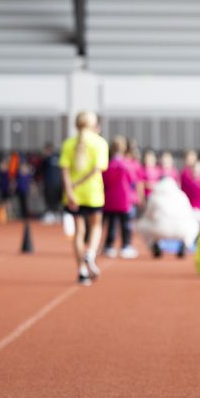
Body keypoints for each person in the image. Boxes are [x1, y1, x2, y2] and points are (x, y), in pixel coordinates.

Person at [59, 111, 109, 286]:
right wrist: (79, 183)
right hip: (93, 193)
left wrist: (70, 190)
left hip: (74, 196)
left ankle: (81, 270)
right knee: (96, 226)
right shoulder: (100, 143)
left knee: (79, 232)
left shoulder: (68, 144)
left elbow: (64, 171)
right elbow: (97, 169)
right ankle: (91, 253)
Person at [101, 135, 139, 259]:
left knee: (112, 224)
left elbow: (104, 181)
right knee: (126, 224)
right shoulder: (127, 165)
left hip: (110, 199)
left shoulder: (107, 164)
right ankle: (125, 246)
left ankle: (109, 246)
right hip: (124, 199)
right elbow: (133, 181)